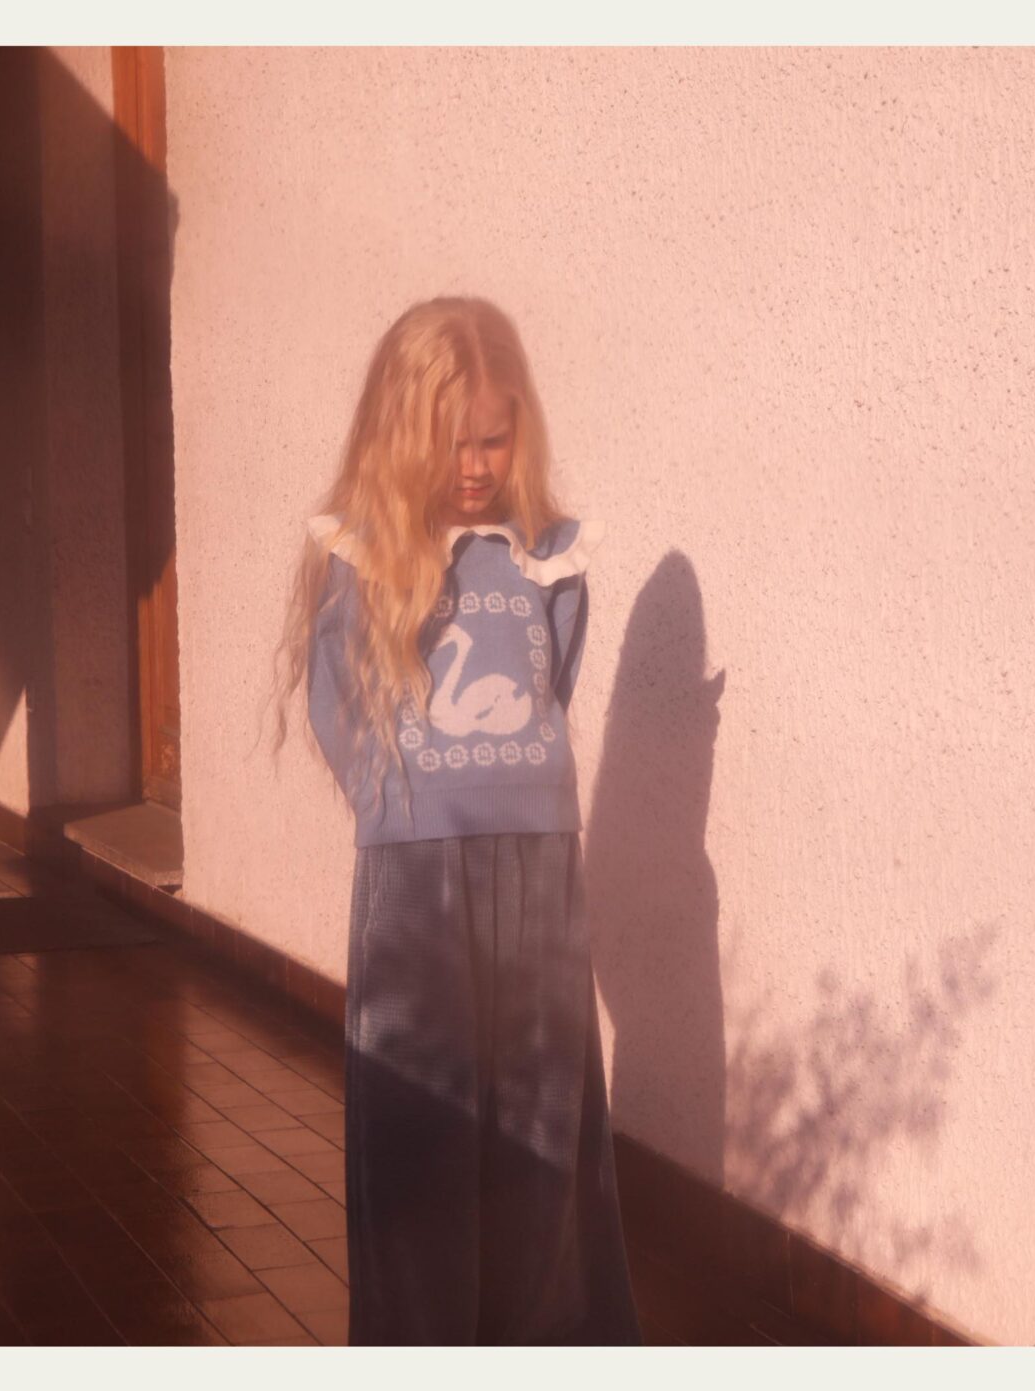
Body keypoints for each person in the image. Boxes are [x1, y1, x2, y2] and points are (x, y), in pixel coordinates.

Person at [272, 296, 643, 1345]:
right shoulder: (366, 553)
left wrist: (508, 783)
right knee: (421, 1127)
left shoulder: (543, 557)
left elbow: (551, 681)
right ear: (403, 433)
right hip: (417, 880)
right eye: (450, 441)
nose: (473, 463)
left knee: (539, 1123)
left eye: (492, 437)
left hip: (536, 868)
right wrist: (410, 803)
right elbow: (336, 701)